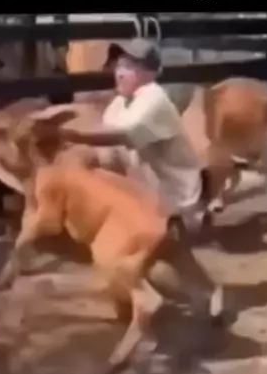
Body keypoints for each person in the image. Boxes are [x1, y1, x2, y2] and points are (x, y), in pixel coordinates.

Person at [65, 39, 207, 233]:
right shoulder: (118, 105)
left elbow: (121, 135)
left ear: (151, 74)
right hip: (147, 198)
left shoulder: (154, 99)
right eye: (118, 66)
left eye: (129, 67)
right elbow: (107, 150)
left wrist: (73, 136)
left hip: (178, 205)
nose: (120, 73)